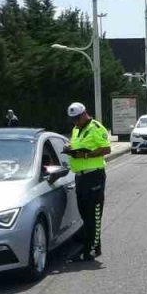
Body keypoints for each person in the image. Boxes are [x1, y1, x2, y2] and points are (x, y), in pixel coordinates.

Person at [63, 102, 110, 262]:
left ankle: (91, 250)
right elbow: (77, 145)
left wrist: (85, 156)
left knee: (94, 215)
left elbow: (106, 149)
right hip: (80, 176)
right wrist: (69, 147)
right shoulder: (76, 129)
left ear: (85, 114)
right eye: (72, 119)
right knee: (84, 213)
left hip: (94, 175)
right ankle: (90, 246)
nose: (75, 122)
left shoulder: (96, 128)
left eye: (77, 118)